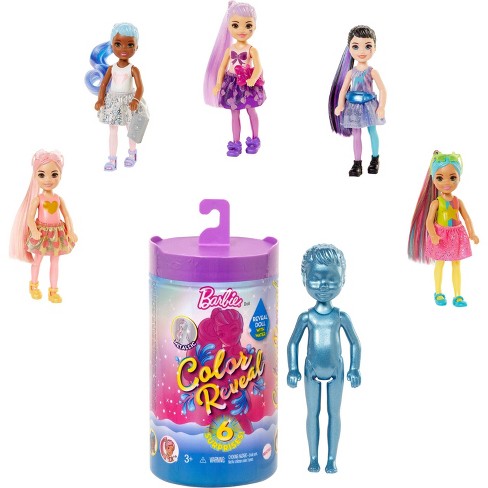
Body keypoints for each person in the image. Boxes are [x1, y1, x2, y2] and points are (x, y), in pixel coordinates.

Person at [287, 244, 361, 473]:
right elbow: (292, 343)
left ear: (343, 279)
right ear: (304, 279)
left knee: (334, 414)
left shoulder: (340, 316)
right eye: (316, 279)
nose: (323, 285)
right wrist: (292, 369)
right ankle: (313, 458)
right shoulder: (306, 317)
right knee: (313, 414)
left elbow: (355, 343)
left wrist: (355, 368)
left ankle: (331, 459)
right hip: (311, 370)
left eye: (331, 279)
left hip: (337, 370)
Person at [408, 151, 479, 306]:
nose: (447, 182)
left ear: (459, 178)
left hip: (456, 235)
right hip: (440, 236)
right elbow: (429, 221)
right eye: (440, 178)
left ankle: (458, 295)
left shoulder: (458, 201)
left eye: (452, 177)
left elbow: (466, 218)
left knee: (456, 264)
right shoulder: (436, 203)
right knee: (439, 263)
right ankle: (438, 292)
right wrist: (433, 235)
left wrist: (472, 233)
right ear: (433, 179)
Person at [10, 150, 77, 303]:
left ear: (60, 176)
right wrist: (34, 230)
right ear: (35, 176)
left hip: (57, 233)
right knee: (37, 260)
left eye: (54, 174)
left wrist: (71, 231)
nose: (48, 180)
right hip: (41, 234)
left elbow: (66, 216)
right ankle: (33, 285)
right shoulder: (37, 199)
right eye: (42, 175)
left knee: (55, 262)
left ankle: (53, 290)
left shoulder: (58, 199)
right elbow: (29, 217)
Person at [204, 2, 265, 157]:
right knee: (234, 113)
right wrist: (218, 83)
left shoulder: (252, 50)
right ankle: (236, 142)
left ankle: (255, 139)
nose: (242, 30)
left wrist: (253, 78)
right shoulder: (229, 50)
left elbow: (258, 67)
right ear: (228, 27)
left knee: (251, 110)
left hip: (247, 84)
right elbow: (222, 67)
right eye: (236, 25)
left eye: (248, 25)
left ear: (254, 26)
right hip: (232, 84)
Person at [329, 25, 386, 176]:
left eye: (367, 46)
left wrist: (381, 107)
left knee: (372, 131)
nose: (362, 51)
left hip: (369, 105)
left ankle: (375, 159)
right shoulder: (351, 72)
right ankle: (357, 163)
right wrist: (340, 104)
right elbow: (343, 90)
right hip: (353, 107)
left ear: (374, 48)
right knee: (356, 134)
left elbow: (382, 89)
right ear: (349, 48)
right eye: (356, 46)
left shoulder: (372, 71)